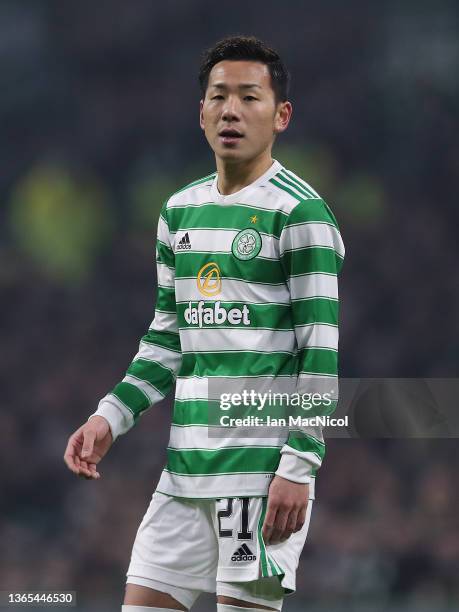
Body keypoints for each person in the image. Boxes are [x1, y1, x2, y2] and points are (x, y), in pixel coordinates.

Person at [64, 35, 345, 612]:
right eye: (219, 97)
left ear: (281, 115)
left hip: (259, 477)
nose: (232, 111)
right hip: (184, 474)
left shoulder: (300, 215)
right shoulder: (178, 212)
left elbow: (320, 349)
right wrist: (108, 417)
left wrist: (300, 466)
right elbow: (170, 335)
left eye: (249, 97)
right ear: (201, 113)